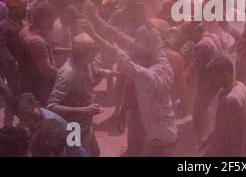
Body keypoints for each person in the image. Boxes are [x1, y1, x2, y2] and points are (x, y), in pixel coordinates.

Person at [79, 14, 178, 157]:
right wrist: (146, 20)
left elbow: (118, 55)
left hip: (157, 143)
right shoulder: (165, 66)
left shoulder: (145, 77)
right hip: (171, 134)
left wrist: (94, 34)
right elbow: (157, 43)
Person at [47, 33, 114, 157]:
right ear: (85, 53)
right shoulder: (67, 73)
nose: (96, 54)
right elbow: (51, 106)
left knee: (95, 152)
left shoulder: (85, 63)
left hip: (85, 124)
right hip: (72, 128)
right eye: (93, 51)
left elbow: (94, 71)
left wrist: (113, 73)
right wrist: (83, 110)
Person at [199, 55, 246, 157]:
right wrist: (209, 137)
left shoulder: (230, 100)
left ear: (226, 75)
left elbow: (221, 139)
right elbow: (223, 124)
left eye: (213, 78)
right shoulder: (240, 86)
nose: (210, 81)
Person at [13, 92, 87, 157]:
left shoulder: (54, 123)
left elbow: (60, 152)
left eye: (33, 116)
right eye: (25, 119)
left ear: (38, 105)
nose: (30, 122)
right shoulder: (34, 122)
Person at [18, 3, 58, 105]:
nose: (54, 23)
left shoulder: (25, 30)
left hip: (26, 82)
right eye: (53, 20)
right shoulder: (37, 42)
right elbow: (47, 71)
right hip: (39, 88)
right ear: (45, 19)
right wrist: (66, 75)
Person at [0, 0, 28, 126]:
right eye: (21, 8)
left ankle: (25, 123)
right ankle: (8, 125)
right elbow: (2, 48)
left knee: (26, 96)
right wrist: (12, 62)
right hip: (13, 69)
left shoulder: (25, 22)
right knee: (12, 98)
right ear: (12, 9)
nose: (24, 10)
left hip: (26, 67)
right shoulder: (4, 26)